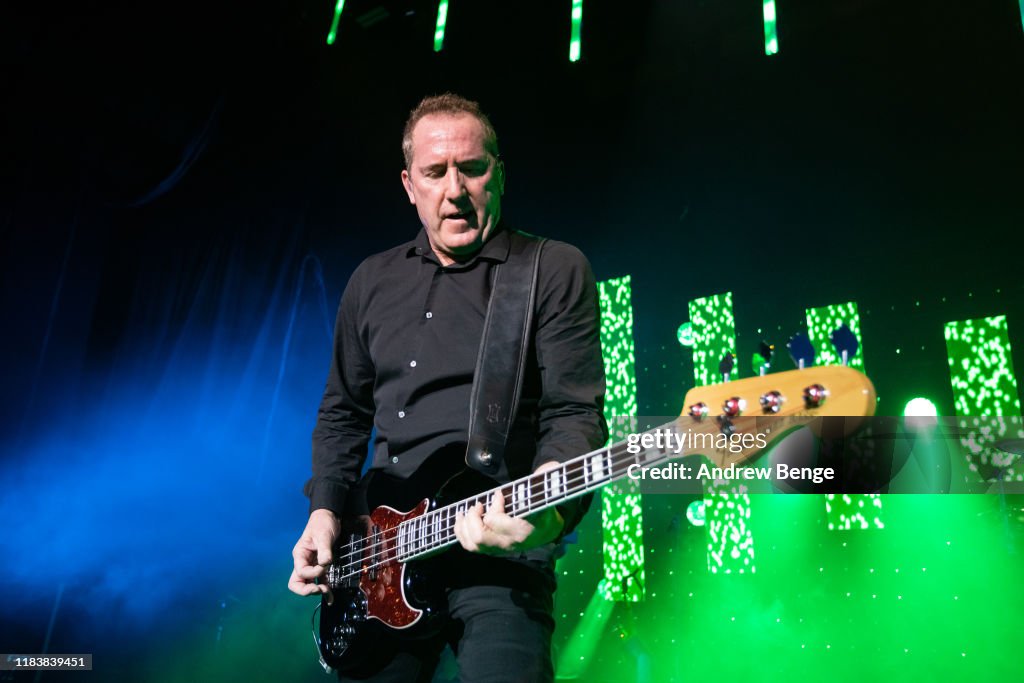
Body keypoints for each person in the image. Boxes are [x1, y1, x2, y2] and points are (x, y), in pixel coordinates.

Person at [288, 93, 607, 682]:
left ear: (500, 173)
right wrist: (326, 511)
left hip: (499, 553)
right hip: (377, 561)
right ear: (410, 185)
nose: (455, 190)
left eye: (473, 168)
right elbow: (343, 413)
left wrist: (552, 510)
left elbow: (573, 412)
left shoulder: (552, 269)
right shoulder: (371, 281)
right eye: (435, 173)